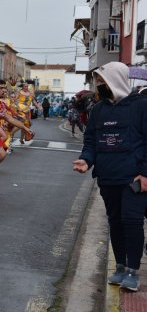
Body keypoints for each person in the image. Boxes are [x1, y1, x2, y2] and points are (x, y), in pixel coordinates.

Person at [73, 62, 147, 292]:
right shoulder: (98, 110)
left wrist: (145, 171)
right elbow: (91, 141)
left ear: (116, 80)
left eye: (102, 82)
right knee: (115, 221)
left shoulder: (142, 106)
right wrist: (86, 159)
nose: (99, 86)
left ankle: (134, 271)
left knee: (132, 221)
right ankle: (121, 266)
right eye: (98, 82)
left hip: (134, 177)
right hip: (108, 176)